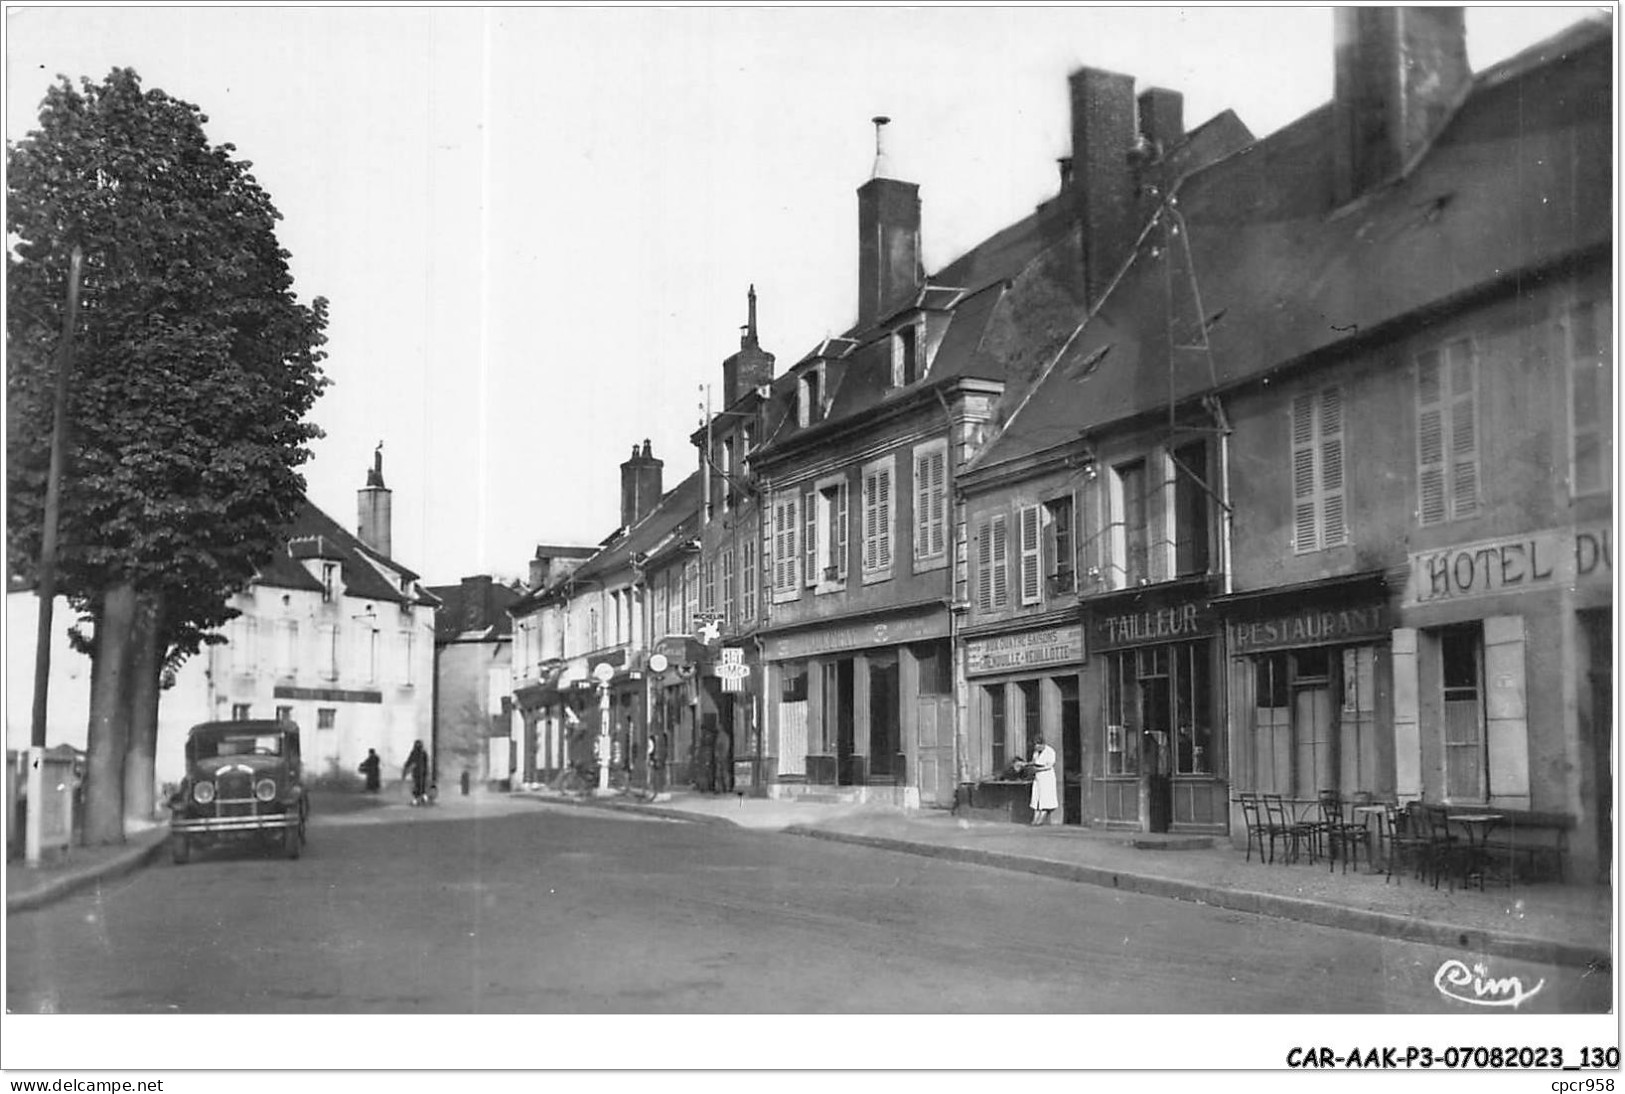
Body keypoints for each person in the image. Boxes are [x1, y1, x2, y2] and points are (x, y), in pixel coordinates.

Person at [1027, 735, 1058, 827]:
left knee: (1045, 796)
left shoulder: (1050, 751)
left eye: (1038, 745)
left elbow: (1049, 765)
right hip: (1038, 776)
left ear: (1042, 744)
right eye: (1035, 745)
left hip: (1047, 776)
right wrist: (1027, 764)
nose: (1036, 747)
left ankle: (1041, 818)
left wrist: (1038, 770)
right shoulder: (1036, 752)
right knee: (1036, 795)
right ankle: (1035, 817)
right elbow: (1034, 761)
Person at [402, 740, 430, 806]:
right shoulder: (423, 753)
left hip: (417, 772)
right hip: (422, 772)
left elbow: (410, 760)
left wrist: (406, 767)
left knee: (417, 787)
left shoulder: (414, 753)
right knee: (421, 786)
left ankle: (416, 800)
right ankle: (424, 799)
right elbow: (426, 763)